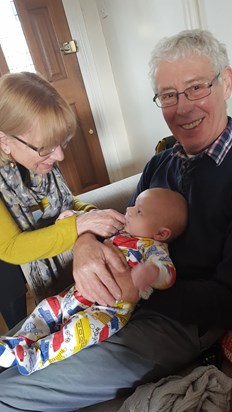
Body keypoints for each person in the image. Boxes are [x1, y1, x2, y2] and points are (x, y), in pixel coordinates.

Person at [1, 28, 232, 412]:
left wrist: (142, 285)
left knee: (8, 395)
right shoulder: (160, 162)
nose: (183, 108)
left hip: (176, 322)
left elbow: (226, 298)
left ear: (226, 81)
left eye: (196, 88)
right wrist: (85, 244)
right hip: (102, 301)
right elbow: (119, 223)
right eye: (169, 95)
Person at [0, 188, 187, 375]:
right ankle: (16, 344)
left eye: (138, 211)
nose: (129, 210)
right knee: (46, 308)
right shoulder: (121, 229)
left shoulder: (154, 249)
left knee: (78, 332)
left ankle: (36, 357)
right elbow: (96, 221)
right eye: (133, 205)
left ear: (161, 234)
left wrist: (151, 272)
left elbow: (167, 273)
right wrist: (73, 217)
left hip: (109, 309)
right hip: (78, 293)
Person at [0, 71, 126, 324]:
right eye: (46, 148)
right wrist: (78, 226)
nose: (59, 157)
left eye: (62, 143)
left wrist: (89, 214)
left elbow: (65, 203)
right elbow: (9, 248)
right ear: (5, 142)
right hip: (6, 257)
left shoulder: (39, 156)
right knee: (12, 294)